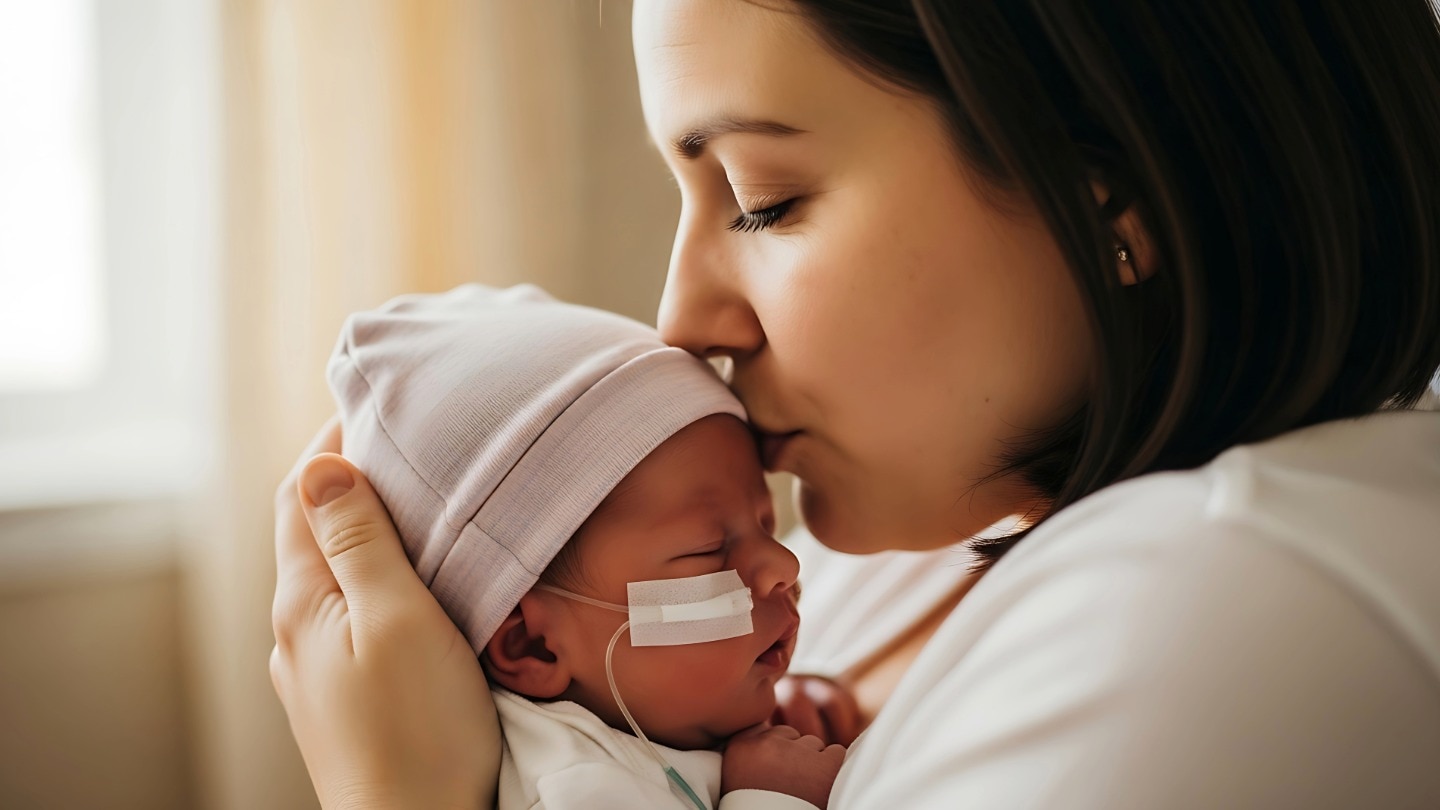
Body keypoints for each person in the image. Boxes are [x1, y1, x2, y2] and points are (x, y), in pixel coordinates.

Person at [271, 1, 1440, 808]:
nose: (679, 320)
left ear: (1110, 202)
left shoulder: (1220, 609)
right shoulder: (911, 540)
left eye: (763, 199)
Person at [323, 283, 843, 809]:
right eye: (708, 550)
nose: (785, 563)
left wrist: (756, 711)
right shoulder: (576, 786)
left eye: (767, 524)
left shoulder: (647, 713)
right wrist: (774, 798)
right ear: (534, 645)